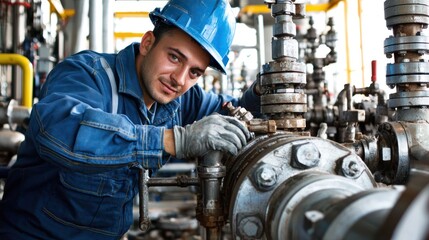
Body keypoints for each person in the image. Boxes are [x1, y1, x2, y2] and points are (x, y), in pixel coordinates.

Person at [0, 0, 261, 239]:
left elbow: (235, 113)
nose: (179, 80)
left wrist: (265, 89)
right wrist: (171, 140)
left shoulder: (181, 99)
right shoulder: (87, 75)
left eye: (194, 72)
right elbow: (60, 131)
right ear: (148, 43)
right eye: (174, 57)